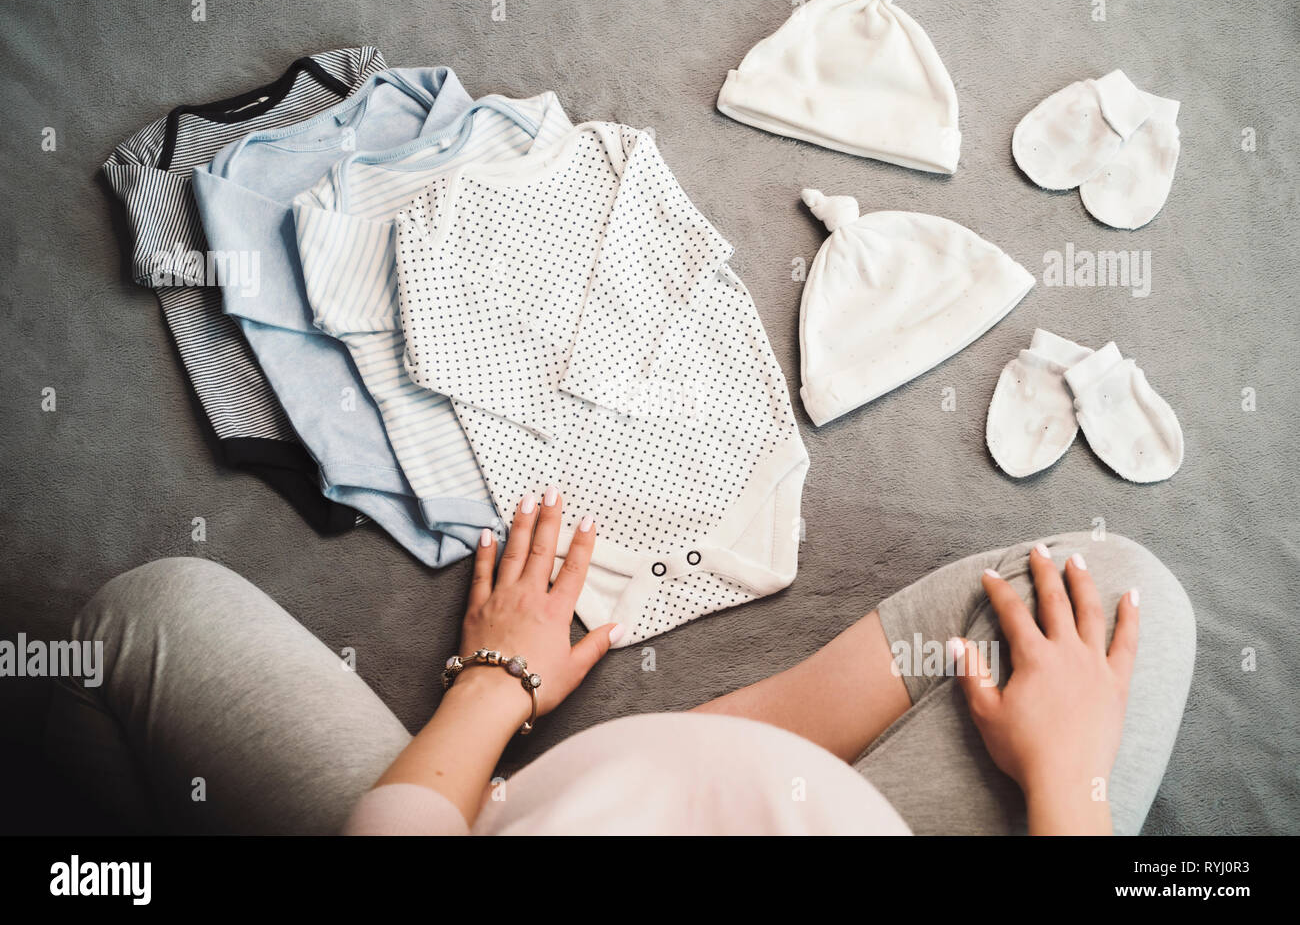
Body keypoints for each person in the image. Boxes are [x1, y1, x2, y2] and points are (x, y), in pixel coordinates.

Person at [46, 489, 1195, 835]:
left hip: (498, 814)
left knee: (139, 617)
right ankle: (741, 739)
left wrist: (497, 677)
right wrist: (1069, 780)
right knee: (1111, 593)